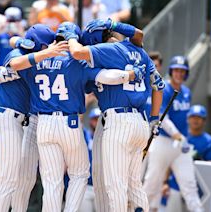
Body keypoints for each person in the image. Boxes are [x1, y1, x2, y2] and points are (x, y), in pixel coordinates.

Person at [0, 21, 144, 212]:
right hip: (69, 123)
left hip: (43, 124)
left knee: (51, 182)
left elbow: (11, 59)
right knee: (80, 173)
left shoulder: (36, 59)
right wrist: (128, 75)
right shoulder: (77, 61)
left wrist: (17, 44)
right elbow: (104, 77)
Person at [66, 19, 165, 211]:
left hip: (119, 123)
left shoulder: (107, 50)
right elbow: (159, 86)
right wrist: (154, 118)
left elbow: (77, 53)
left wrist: (71, 37)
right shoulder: (140, 52)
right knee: (134, 184)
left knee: (115, 184)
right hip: (140, 122)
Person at [0, 26, 65, 212]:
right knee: (8, 180)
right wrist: (42, 51)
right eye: (46, 44)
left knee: (1, 179)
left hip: (15, 121)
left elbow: (14, 42)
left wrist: (21, 41)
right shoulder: (18, 54)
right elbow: (15, 64)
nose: (49, 47)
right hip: (7, 119)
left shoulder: (27, 52)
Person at [143, 55, 204, 212]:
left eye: (182, 71)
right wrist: (176, 134)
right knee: (151, 184)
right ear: (171, 71)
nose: (179, 74)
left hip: (181, 145)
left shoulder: (187, 92)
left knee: (190, 186)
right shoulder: (163, 88)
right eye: (176, 70)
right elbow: (163, 117)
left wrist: (181, 137)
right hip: (163, 141)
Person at [78, 108, 101, 212]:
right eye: (95, 119)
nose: (97, 122)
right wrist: (87, 101)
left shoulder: (108, 138)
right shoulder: (86, 135)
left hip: (102, 187)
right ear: (91, 120)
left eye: (99, 119)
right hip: (86, 186)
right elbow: (77, 123)